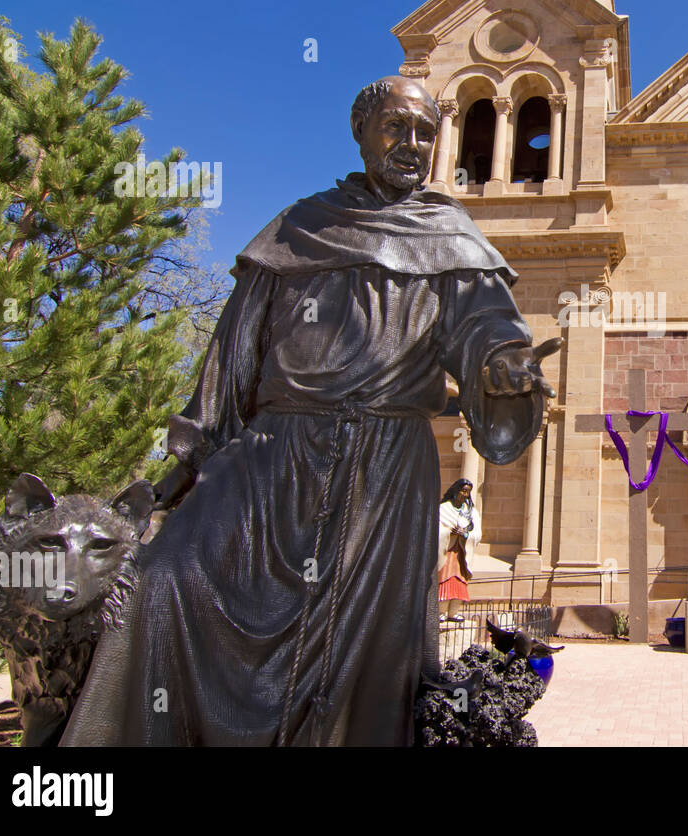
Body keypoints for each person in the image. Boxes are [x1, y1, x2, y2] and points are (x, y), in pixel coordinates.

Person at [62, 76, 560, 746]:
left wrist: (502, 364)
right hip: (274, 454)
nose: (412, 144)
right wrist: (186, 458)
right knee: (163, 581)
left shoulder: (452, 237)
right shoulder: (299, 228)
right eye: (396, 126)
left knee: (368, 666)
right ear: (362, 132)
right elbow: (233, 354)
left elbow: (488, 328)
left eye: (424, 131)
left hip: (384, 471)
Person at [437, 479, 479, 622]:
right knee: (444, 580)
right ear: (455, 491)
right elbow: (435, 530)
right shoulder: (443, 509)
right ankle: (441, 612)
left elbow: (476, 534)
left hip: (461, 553)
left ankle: (453, 612)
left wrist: (465, 534)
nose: (465, 495)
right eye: (463, 491)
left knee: (459, 582)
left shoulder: (471, 513)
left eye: (467, 492)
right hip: (446, 552)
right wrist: (449, 532)